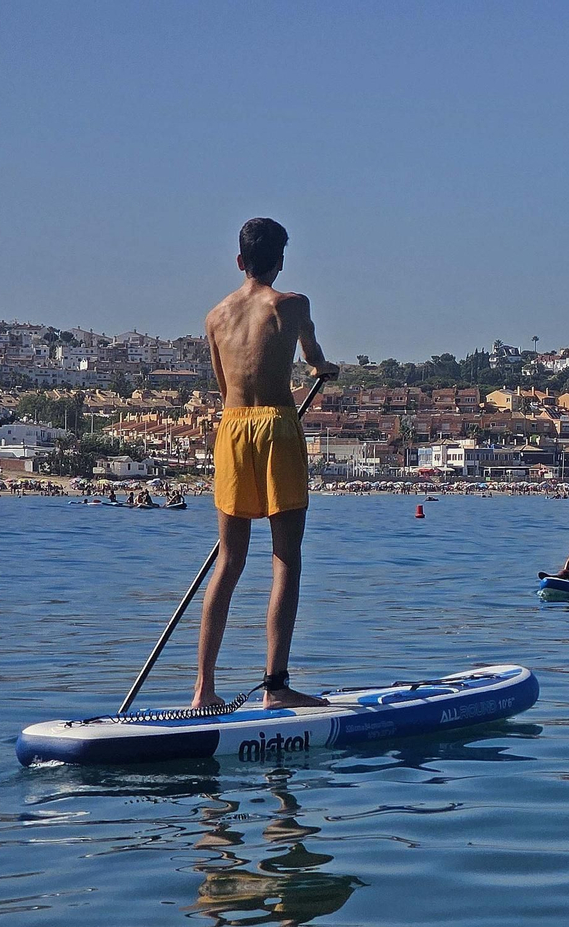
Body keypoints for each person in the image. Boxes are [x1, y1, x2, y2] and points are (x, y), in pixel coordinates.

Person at [192, 217, 339, 711]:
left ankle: (203, 689)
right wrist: (322, 370)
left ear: (239, 261)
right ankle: (275, 689)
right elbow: (314, 357)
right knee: (285, 560)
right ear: (280, 262)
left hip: (231, 429)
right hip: (276, 426)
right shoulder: (292, 305)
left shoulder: (215, 317)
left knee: (229, 562)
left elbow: (222, 385)